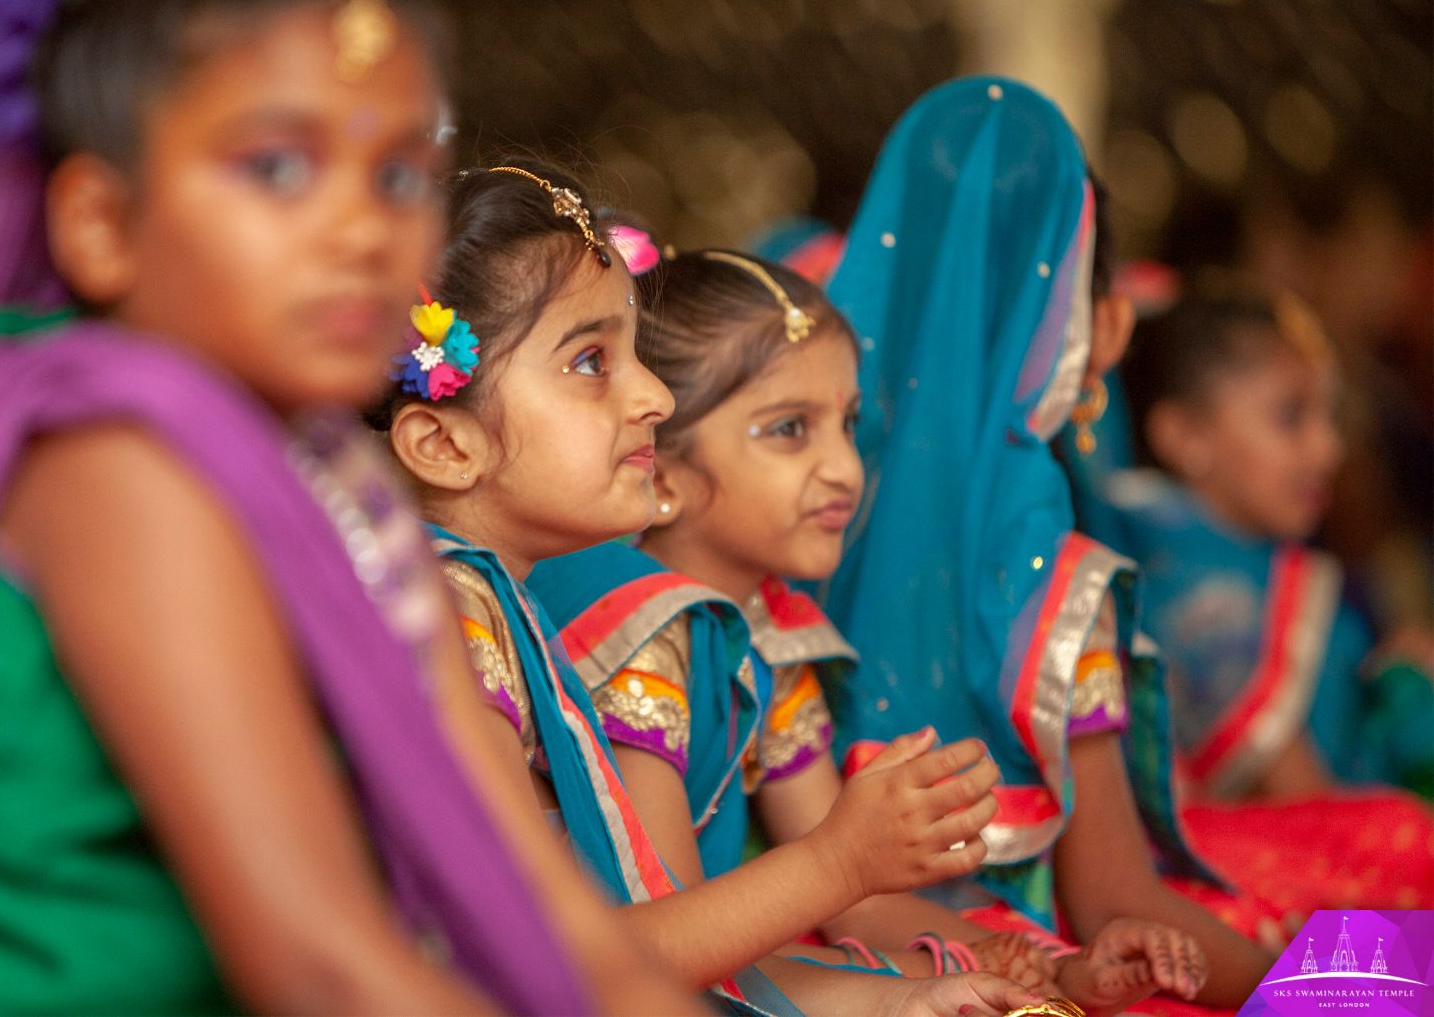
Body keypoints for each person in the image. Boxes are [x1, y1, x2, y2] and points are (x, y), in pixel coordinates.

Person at [0, 0, 697, 1013]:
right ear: (102, 223)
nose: (361, 230)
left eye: (396, 174)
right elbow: (324, 967)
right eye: (278, 167)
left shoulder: (339, 477)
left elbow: (552, 913)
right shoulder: (112, 464)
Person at [378, 159, 1048, 1016]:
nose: (654, 395)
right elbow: (556, 966)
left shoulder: (500, 606)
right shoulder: (445, 611)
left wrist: (900, 998)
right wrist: (837, 863)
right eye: (591, 360)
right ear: (443, 443)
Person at [531, 245, 1212, 1015]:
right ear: (663, 472)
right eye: (789, 428)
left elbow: (856, 900)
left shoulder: (771, 630)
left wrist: (1053, 967)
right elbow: (671, 955)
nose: (845, 468)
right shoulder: (642, 629)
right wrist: (904, 988)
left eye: (849, 424)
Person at [815, 76, 1272, 1010]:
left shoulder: (803, 501)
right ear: (1093, 322)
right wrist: (1337, 994)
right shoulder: (1046, 560)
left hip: (816, 956)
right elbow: (1110, 898)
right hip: (996, 962)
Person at [1059, 280, 1434, 914]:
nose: (1329, 448)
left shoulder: (1240, 563)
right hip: (1267, 879)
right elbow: (1308, 809)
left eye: (1330, 415)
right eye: (1291, 416)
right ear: (1185, 437)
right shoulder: (1208, 599)